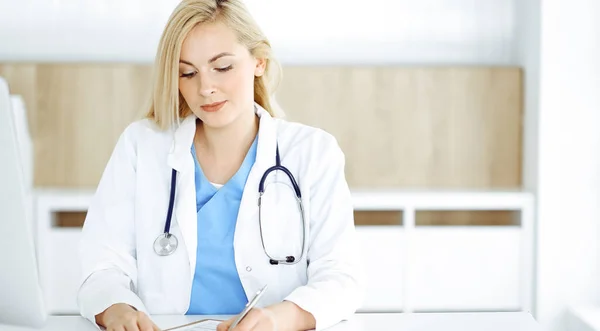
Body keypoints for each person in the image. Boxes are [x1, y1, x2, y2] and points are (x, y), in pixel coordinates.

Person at [77, 0, 364, 330]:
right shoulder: (141, 147)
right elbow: (101, 267)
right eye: (188, 73)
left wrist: (279, 318)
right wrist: (117, 309)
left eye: (222, 67)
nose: (205, 88)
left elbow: (342, 278)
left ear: (259, 61)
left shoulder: (312, 153)